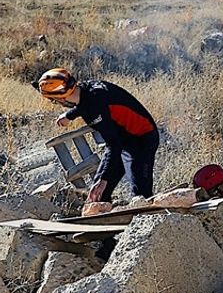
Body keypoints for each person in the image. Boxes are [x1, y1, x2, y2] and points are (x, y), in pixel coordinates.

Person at [37, 68, 159, 206]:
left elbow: (113, 145)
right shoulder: (84, 90)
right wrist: (69, 115)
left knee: (141, 196)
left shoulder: (95, 108)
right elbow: (85, 104)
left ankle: (149, 220)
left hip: (141, 138)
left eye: (53, 100)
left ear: (59, 98)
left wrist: (104, 178)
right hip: (121, 136)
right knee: (98, 195)